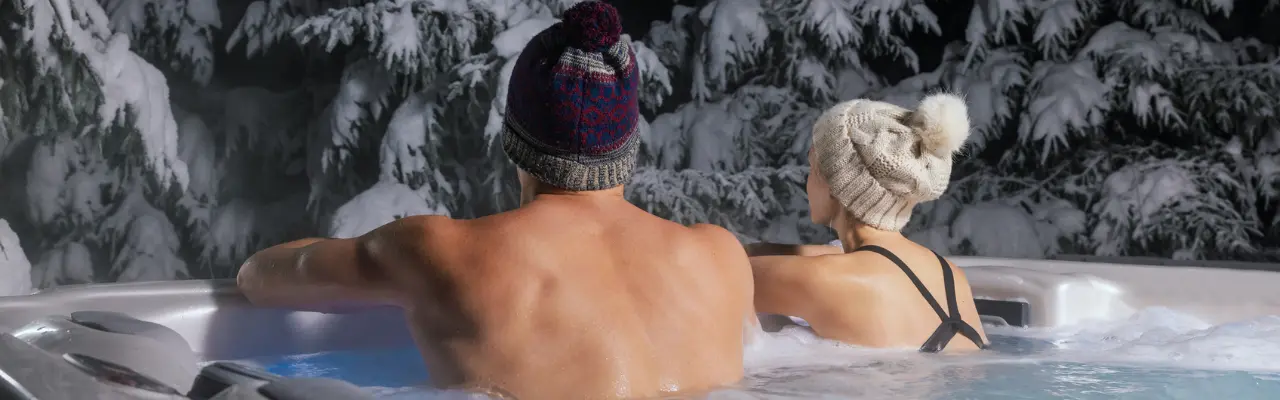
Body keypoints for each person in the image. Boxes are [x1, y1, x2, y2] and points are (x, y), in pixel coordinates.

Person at [235, 2, 756, 398]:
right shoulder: (721, 257)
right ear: (628, 148)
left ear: (515, 143)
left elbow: (259, 278)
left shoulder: (438, 252)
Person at [746, 93, 989, 352]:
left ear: (834, 183)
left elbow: (715, 273)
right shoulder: (951, 275)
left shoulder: (825, 278)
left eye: (812, 167)